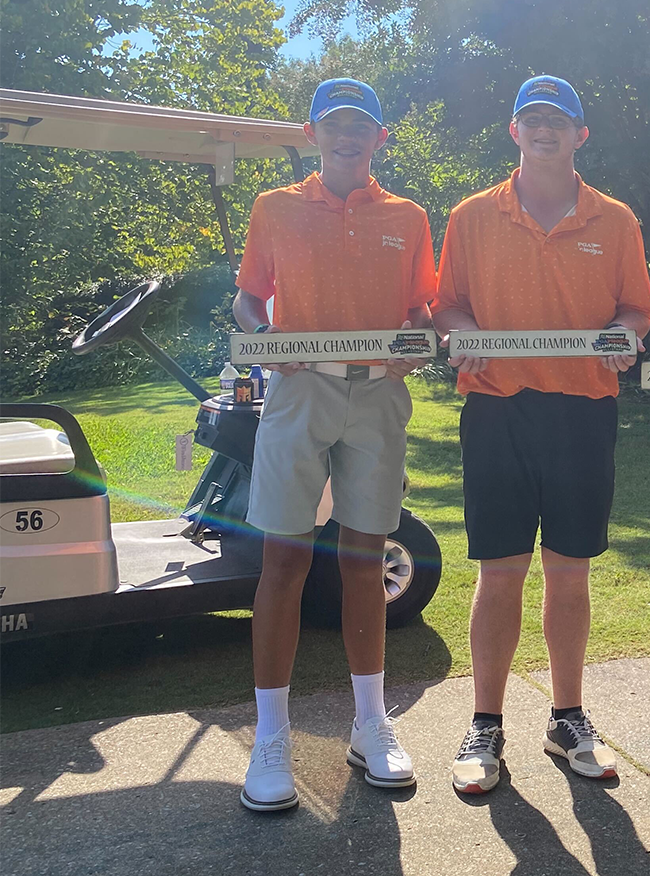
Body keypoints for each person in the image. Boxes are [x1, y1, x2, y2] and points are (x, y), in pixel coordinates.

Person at [432, 75, 650, 793]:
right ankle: (486, 725)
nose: (545, 130)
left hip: (581, 410)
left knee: (570, 573)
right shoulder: (471, 216)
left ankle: (566, 717)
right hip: (497, 409)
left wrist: (624, 338)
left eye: (559, 120)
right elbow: (451, 308)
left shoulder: (616, 219)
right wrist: (462, 337)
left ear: (580, 135)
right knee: (499, 572)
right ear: (514, 130)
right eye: (533, 119)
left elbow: (635, 311)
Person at [234, 78, 437, 812]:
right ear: (313, 134)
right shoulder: (275, 207)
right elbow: (248, 296)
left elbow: (421, 308)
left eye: (362, 125)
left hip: (378, 391)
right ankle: (271, 738)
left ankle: (370, 724)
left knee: (364, 558)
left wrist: (421, 339)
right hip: (299, 390)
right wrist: (259, 337)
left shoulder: (408, 216)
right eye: (334, 124)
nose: (348, 135)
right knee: (284, 559)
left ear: (380, 138)